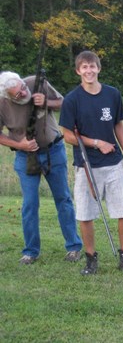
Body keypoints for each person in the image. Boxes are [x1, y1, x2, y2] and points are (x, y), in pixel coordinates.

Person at [59, 51, 123, 275]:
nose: (89, 71)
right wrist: (96, 143)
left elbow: (118, 126)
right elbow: (67, 135)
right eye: (84, 67)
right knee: (85, 214)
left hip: (114, 162)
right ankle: (91, 258)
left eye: (92, 66)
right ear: (78, 71)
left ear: (99, 68)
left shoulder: (112, 94)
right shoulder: (72, 99)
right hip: (86, 164)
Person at [0, 71, 82, 265]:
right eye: (17, 93)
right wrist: (20, 145)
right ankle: (30, 251)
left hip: (54, 150)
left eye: (22, 87)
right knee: (30, 204)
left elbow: (64, 103)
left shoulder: (36, 83)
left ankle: (74, 247)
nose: (22, 92)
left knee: (63, 199)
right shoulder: (2, 103)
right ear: (6, 96)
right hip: (25, 156)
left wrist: (46, 102)